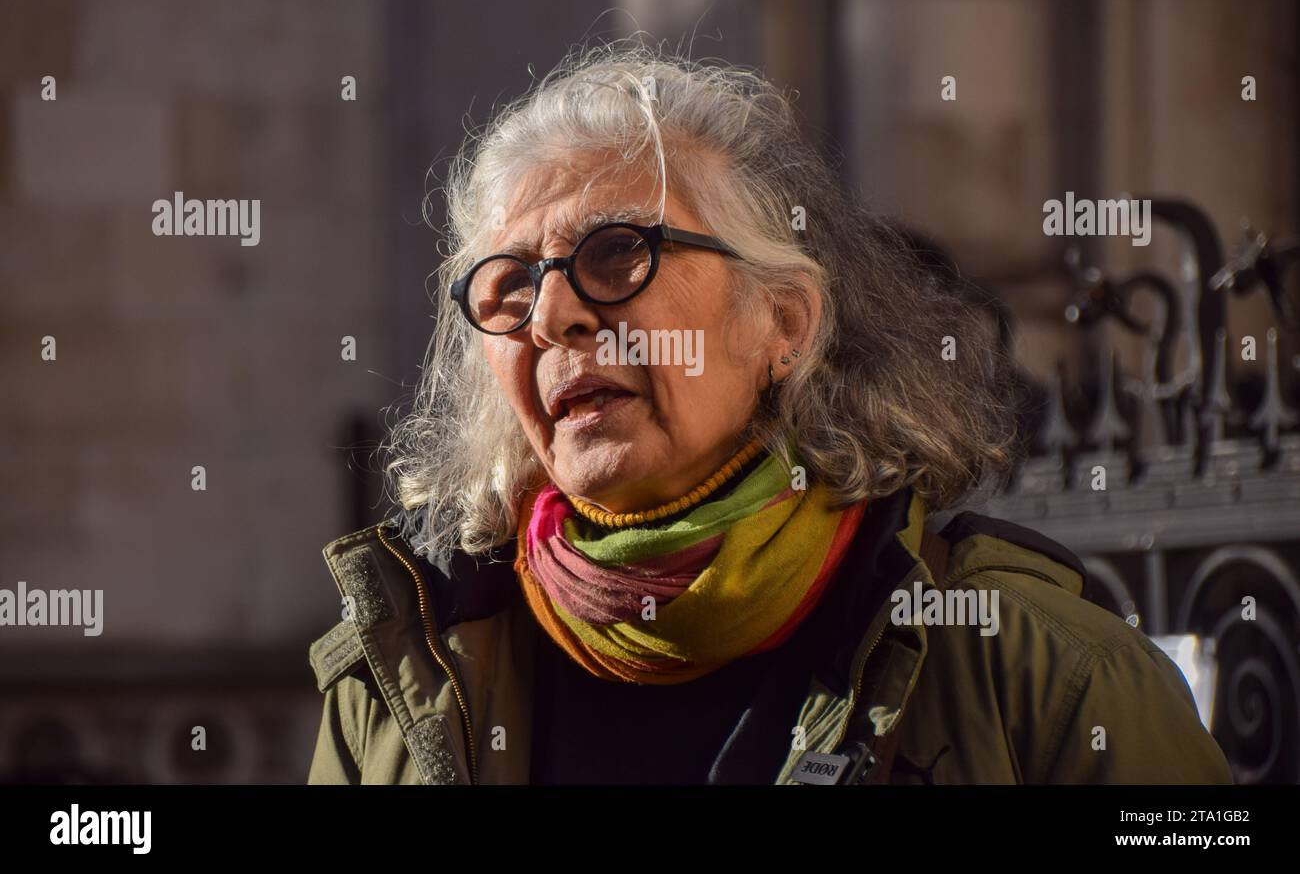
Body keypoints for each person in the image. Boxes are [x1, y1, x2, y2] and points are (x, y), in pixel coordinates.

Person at [305, 41, 1233, 785]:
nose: (553, 317)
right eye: (510, 285)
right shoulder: (398, 689)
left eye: (619, 254)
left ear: (783, 322)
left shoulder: (1050, 677)